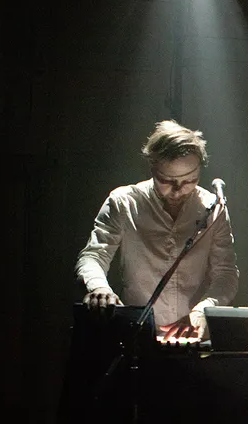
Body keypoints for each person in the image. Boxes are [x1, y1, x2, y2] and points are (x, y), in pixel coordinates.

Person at [75, 120, 239, 341]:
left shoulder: (213, 208)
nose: (178, 191)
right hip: (136, 333)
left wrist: (202, 310)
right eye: (167, 181)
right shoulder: (124, 202)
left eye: (189, 180)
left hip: (193, 335)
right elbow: (94, 255)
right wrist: (99, 288)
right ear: (152, 168)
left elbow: (226, 273)